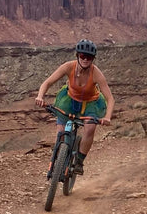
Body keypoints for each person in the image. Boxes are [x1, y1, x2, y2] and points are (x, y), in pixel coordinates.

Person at [35, 39, 114, 174]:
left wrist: (107, 117)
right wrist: (40, 96)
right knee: (60, 132)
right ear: (77, 55)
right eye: (82, 56)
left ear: (93, 59)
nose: (85, 59)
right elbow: (47, 82)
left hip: (91, 103)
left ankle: (79, 161)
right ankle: (59, 157)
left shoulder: (96, 73)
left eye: (89, 57)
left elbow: (110, 98)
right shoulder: (68, 67)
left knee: (90, 128)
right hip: (69, 99)